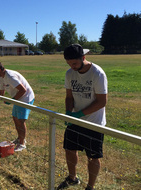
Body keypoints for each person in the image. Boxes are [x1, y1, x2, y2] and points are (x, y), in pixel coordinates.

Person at [57, 44, 108, 190]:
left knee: (93, 157)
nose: (72, 66)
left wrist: (79, 114)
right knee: (69, 149)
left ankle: (90, 187)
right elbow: (69, 97)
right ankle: (72, 178)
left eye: (74, 63)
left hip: (94, 123)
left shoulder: (97, 73)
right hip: (75, 121)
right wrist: (69, 112)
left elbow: (102, 101)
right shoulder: (69, 73)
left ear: (83, 58)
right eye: (68, 63)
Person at [0, 61, 35, 152]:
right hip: (18, 98)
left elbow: (23, 90)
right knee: (15, 118)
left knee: (20, 120)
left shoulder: (10, 76)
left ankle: (22, 143)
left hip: (25, 98)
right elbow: (1, 93)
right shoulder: (1, 77)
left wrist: (12, 100)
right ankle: (19, 138)